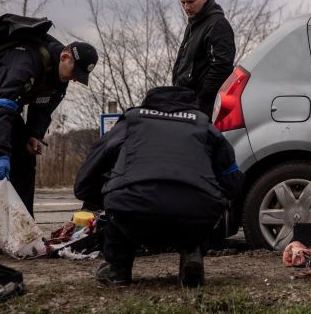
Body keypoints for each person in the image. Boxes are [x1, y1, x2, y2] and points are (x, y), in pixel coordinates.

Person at [74, 86, 244, 288]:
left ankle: (117, 269)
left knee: (118, 205)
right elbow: (233, 181)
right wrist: (217, 202)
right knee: (203, 207)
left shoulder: (132, 120)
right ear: (190, 102)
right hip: (194, 214)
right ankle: (192, 256)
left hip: (133, 211)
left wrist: (100, 198)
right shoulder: (203, 124)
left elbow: (92, 167)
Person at [0, 34, 98, 256]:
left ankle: (24, 231)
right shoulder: (24, 64)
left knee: (25, 161)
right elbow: (0, 111)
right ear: (65, 57)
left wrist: (34, 134)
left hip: (6, 105)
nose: (73, 80)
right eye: (74, 73)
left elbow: (43, 108)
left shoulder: (58, 78)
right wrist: (2, 153)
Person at [171, 0, 236, 117]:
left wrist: (201, 100)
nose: (187, 7)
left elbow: (222, 68)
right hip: (186, 104)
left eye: (191, 2)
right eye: (183, 3)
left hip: (203, 108)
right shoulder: (193, 25)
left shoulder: (217, 25)